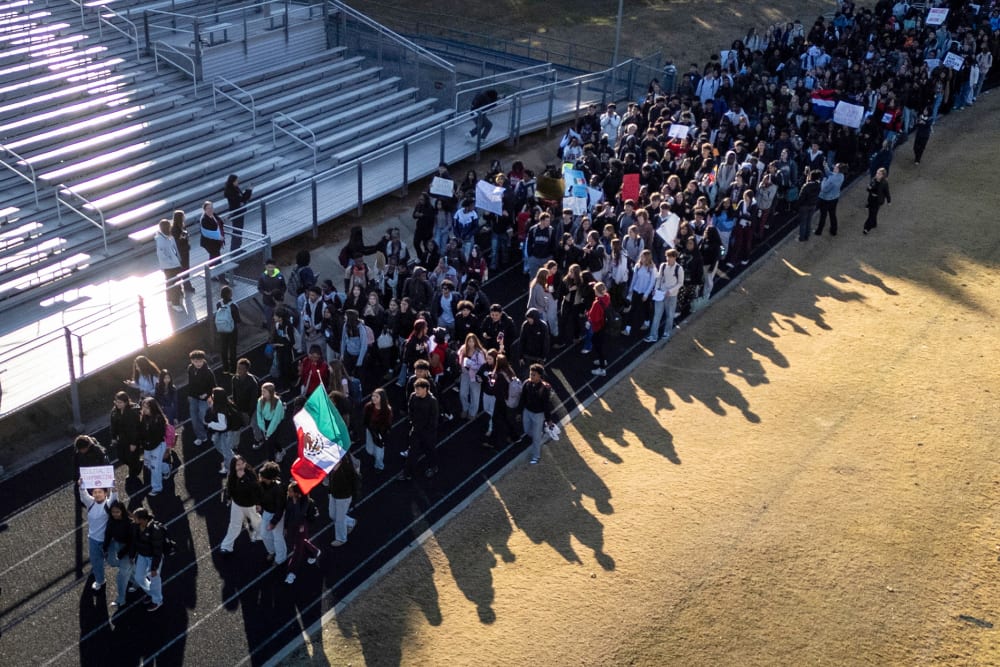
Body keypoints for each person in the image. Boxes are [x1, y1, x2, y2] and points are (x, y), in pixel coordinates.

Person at [78, 478, 117, 591]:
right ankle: (100, 581)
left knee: (113, 562)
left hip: (108, 541)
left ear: (105, 493)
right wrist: (81, 486)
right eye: (95, 492)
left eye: (100, 492)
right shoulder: (90, 503)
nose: (97, 494)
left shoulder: (108, 505)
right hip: (93, 540)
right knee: (96, 562)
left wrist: (114, 489)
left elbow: (114, 498)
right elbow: (83, 495)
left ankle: (131, 572)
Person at [220, 455, 262, 555]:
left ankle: (261, 535)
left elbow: (255, 488)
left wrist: (243, 478)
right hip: (237, 504)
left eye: (241, 464)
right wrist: (229, 497)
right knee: (234, 525)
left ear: (245, 463)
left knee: (256, 521)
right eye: (237, 465)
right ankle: (226, 546)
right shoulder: (232, 475)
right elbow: (229, 486)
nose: (240, 466)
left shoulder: (250, 474)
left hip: (249, 505)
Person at [283, 480, 321, 585]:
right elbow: (288, 513)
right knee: (299, 542)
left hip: (301, 526)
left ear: (296, 493)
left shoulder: (305, 501)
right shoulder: (289, 498)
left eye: (290, 491)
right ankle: (314, 551)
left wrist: (295, 503)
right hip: (292, 525)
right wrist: (286, 526)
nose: (288, 493)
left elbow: (299, 514)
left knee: (297, 550)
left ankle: (291, 573)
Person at [402, 378, 439, 480]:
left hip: (428, 433)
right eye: (415, 389)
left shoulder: (432, 401)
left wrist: (428, 431)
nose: (416, 391)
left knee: (430, 451)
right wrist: (413, 422)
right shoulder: (413, 397)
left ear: (425, 389)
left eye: (418, 389)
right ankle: (407, 473)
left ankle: (433, 467)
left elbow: (434, 418)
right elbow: (410, 410)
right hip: (416, 430)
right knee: (412, 451)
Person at [518, 363, 555, 465]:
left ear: (540, 375)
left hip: (538, 415)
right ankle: (538, 434)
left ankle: (536, 456)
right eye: (530, 374)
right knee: (527, 430)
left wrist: (548, 419)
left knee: (536, 437)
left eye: (534, 374)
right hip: (527, 411)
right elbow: (522, 398)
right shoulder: (527, 383)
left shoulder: (544, 388)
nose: (531, 376)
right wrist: (519, 411)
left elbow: (546, 405)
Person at [129, 507, 165, 611]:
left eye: (136, 518)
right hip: (142, 555)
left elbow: (158, 550)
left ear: (143, 520)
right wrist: (132, 555)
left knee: (155, 579)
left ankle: (157, 601)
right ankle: (152, 593)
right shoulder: (136, 526)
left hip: (153, 558)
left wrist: (154, 567)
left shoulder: (155, 531)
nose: (134, 520)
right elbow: (134, 542)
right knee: (139, 577)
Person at [103, 499, 134, 609]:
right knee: (113, 563)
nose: (115, 514)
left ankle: (121, 599)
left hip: (129, 549)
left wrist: (123, 553)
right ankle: (136, 582)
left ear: (122, 511)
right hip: (117, 545)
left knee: (121, 576)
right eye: (113, 512)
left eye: (117, 512)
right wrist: (105, 548)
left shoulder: (129, 523)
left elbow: (132, 541)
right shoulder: (111, 521)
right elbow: (108, 534)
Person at [647, 249, 684, 342]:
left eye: (670, 257)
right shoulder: (663, 266)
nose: (668, 259)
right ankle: (653, 335)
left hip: (671, 296)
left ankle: (667, 332)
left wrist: (670, 291)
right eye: (667, 256)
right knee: (657, 315)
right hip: (661, 294)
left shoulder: (679, 268)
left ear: (675, 257)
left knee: (670, 315)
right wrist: (655, 289)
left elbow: (680, 283)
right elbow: (659, 279)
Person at [137, 397, 168, 497]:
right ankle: (166, 468)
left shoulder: (158, 419)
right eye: (143, 407)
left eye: (147, 407)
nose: (144, 409)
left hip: (157, 446)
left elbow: (159, 436)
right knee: (149, 464)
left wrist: (148, 443)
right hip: (148, 446)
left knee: (154, 467)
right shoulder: (143, 417)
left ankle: (157, 488)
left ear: (153, 408)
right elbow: (141, 432)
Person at [258, 462, 287, 565]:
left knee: (278, 537)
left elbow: (280, 508)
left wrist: (273, 523)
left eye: (263, 476)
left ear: (269, 478)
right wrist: (259, 504)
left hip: (277, 515)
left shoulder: (279, 489)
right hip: (267, 512)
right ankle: (272, 551)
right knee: (264, 534)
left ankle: (281, 558)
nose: (260, 477)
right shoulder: (262, 484)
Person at [206, 387, 240, 475]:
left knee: (226, 452)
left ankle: (231, 469)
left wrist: (211, 424)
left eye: (213, 395)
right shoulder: (225, 403)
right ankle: (230, 460)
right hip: (226, 431)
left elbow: (223, 426)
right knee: (218, 444)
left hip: (227, 433)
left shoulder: (221, 411)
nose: (212, 396)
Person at [327, 454, 359, 547]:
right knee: (332, 515)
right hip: (333, 494)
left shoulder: (346, 469)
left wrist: (352, 495)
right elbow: (331, 480)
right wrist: (329, 492)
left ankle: (341, 538)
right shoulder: (332, 467)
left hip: (343, 497)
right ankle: (350, 522)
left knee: (339, 519)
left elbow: (353, 481)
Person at [186, 350, 216, 447]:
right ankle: (201, 436)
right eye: (195, 361)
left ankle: (215, 431)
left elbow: (214, 387)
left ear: (203, 360)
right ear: (191, 361)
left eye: (200, 361)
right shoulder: (190, 369)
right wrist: (190, 395)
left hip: (205, 398)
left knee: (205, 418)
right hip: (194, 397)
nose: (198, 363)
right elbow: (190, 383)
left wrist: (207, 395)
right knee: (194, 418)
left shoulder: (208, 372)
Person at [623, 249, 656, 336]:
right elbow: (634, 278)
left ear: (648, 258)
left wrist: (646, 294)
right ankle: (628, 329)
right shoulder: (638, 266)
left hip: (645, 293)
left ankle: (647, 322)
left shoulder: (652, 268)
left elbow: (652, 282)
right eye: (641, 256)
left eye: (643, 257)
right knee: (633, 309)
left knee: (646, 308)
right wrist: (631, 290)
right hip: (636, 290)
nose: (641, 258)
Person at [110, 391, 141, 479]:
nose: (118, 404)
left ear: (126, 402)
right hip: (122, 439)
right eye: (116, 402)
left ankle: (133, 473)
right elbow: (113, 425)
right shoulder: (114, 411)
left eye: (120, 402)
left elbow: (136, 429)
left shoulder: (132, 412)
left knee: (131, 458)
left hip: (131, 439)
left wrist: (134, 443)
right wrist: (113, 437)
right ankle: (137, 464)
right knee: (121, 457)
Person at [155, 218, 184, 311]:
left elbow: (174, 249)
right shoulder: (160, 239)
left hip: (174, 263)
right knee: (174, 283)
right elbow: (162, 254)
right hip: (169, 266)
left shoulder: (169, 237)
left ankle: (169, 300)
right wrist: (172, 261)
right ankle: (175, 303)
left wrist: (178, 259)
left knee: (170, 282)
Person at [457, 333, 487, 420]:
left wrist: (472, 365)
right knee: (462, 393)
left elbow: (483, 366)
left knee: (475, 395)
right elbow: (459, 355)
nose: (470, 343)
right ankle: (465, 408)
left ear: (475, 342)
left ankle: (473, 412)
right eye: (469, 341)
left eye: (472, 342)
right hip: (465, 374)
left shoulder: (479, 353)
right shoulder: (463, 349)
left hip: (475, 376)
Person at [253, 382, 286, 462]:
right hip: (265, 424)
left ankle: (271, 462)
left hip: (274, 425)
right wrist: (263, 428)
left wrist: (268, 432)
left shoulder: (278, 403)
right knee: (270, 442)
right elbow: (259, 415)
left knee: (269, 445)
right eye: (262, 391)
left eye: (264, 391)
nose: (262, 393)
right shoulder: (260, 400)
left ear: (270, 392)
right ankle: (281, 451)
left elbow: (275, 420)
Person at [586, 282, 612, 375]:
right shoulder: (607, 297)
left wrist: (588, 315)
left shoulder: (597, 303)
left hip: (599, 327)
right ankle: (603, 360)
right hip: (605, 326)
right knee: (600, 344)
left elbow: (594, 318)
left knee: (598, 346)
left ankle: (602, 369)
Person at [363, 387, 392, 471]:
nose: (373, 398)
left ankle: (379, 466)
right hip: (370, 431)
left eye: (376, 397)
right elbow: (365, 419)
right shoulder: (368, 407)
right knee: (370, 450)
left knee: (379, 452)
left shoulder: (387, 410)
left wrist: (380, 434)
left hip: (380, 434)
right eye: (373, 396)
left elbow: (387, 425)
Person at [215, 285, 241, 374]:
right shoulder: (233, 305)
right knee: (232, 349)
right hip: (232, 330)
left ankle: (225, 368)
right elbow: (238, 320)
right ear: (230, 294)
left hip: (222, 329)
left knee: (224, 348)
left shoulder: (219, 304)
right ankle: (233, 370)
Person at [223, 174, 252, 252]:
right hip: (236, 212)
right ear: (232, 182)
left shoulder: (235, 189)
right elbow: (240, 200)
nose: (237, 182)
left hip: (239, 211)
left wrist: (248, 191)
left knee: (239, 230)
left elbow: (242, 198)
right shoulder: (231, 192)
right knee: (237, 230)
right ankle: (235, 249)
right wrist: (248, 191)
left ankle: (237, 248)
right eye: (236, 181)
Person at [815, 164, 845, 236]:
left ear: (838, 169)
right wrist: (825, 166)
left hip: (825, 199)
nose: (834, 166)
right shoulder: (841, 176)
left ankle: (819, 231)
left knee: (823, 215)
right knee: (832, 214)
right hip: (834, 198)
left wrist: (824, 180)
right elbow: (831, 174)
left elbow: (824, 189)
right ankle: (833, 230)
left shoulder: (832, 179)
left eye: (836, 166)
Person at [230, 358, 260, 430]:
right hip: (241, 407)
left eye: (241, 368)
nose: (239, 370)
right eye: (238, 368)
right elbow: (234, 393)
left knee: (255, 425)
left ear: (247, 370)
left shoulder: (252, 382)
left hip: (252, 409)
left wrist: (249, 413)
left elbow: (254, 399)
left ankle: (260, 439)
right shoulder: (234, 379)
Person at [257, 258, 287, 329]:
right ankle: (271, 333)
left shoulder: (280, 276)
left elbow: (284, 287)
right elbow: (260, 288)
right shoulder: (262, 277)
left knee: (280, 318)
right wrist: (264, 292)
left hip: (278, 302)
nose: (270, 269)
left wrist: (280, 294)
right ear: (265, 267)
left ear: (275, 266)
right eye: (268, 267)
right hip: (267, 302)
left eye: (272, 267)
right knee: (269, 320)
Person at [170, 210, 195, 293]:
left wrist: (186, 236)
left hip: (185, 250)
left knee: (186, 268)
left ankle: (186, 285)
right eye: (183, 216)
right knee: (181, 269)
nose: (184, 218)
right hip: (180, 252)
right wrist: (183, 236)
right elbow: (177, 241)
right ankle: (180, 287)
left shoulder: (182, 226)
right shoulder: (174, 229)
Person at [863, 167, 891, 235]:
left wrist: (889, 200)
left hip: (878, 201)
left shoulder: (884, 183)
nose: (877, 174)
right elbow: (868, 189)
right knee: (872, 213)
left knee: (872, 215)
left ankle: (867, 228)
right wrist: (869, 188)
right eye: (877, 173)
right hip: (871, 199)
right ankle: (874, 224)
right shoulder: (874, 179)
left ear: (883, 175)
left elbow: (887, 192)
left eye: (879, 173)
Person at [198, 200, 225, 270]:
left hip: (216, 242)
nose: (210, 210)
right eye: (208, 208)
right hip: (209, 243)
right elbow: (209, 233)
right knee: (217, 259)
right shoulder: (204, 219)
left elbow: (220, 222)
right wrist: (219, 236)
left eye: (211, 208)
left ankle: (209, 273)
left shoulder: (214, 215)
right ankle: (221, 277)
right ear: (204, 210)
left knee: (213, 258)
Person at [796, 169, 821, 242]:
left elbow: (801, 197)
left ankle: (801, 238)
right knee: (809, 221)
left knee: (803, 222)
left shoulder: (806, 186)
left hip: (804, 206)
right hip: (813, 205)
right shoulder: (818, 185)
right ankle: (807, 236)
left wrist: (797, 205)